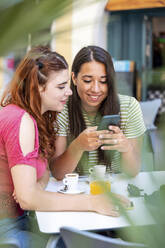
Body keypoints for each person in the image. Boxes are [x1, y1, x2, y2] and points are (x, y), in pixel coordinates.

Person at [0, 46, 130, 248]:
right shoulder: (21, 121)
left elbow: (42, 174)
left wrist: (34, 189)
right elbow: (27, 199)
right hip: (7, 228)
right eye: (61, 87)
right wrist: (93, 203)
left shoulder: (32, 117)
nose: (69, 92)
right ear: (37, 88)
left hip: (18, 220)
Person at [50, 45, 146, 179]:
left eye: (103, 81)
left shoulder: (129, 107)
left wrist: (126, 148)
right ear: (74, 78)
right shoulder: (61, 109)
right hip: (75, 190)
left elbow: (133, 172)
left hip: (115, 189)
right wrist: (77, 146)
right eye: (87, 80)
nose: (95, 89)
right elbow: (58, 173)